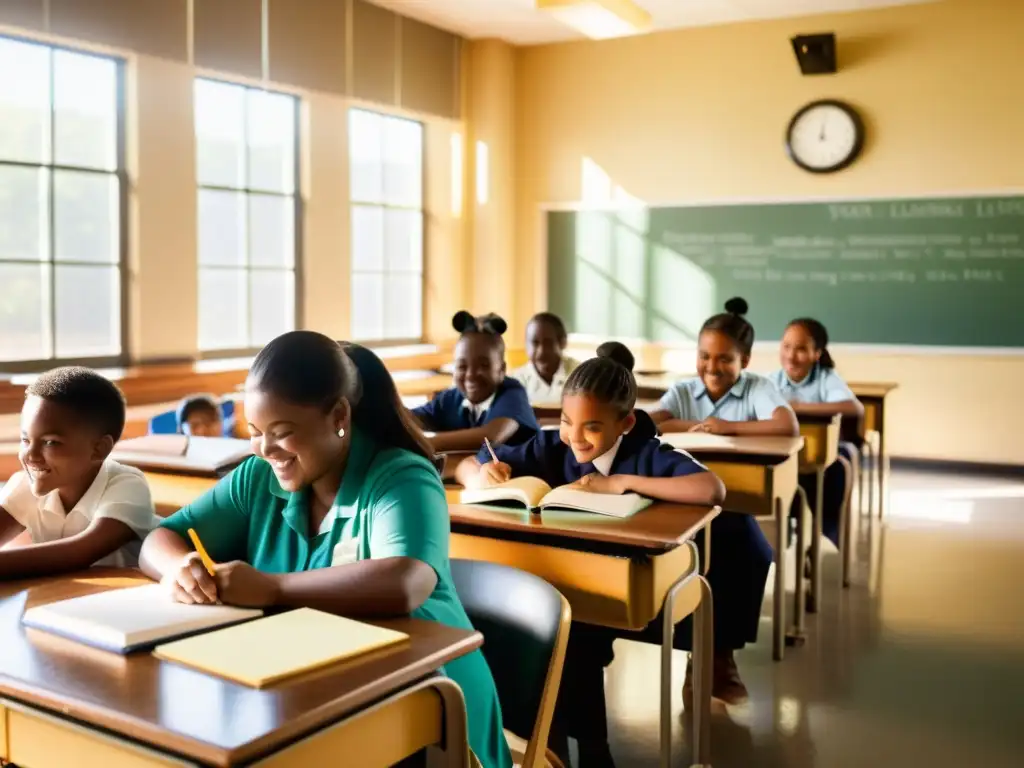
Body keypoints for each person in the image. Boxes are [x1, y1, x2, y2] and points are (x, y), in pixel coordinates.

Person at [138, 333, 512, 768]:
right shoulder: (259, 477)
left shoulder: (401, 477)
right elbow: (158, 539)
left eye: (282, 433)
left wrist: (272, 588)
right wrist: (179, 567)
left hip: (429, 705)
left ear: (339, 415)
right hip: (314, 690)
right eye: (256, 433)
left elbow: (405, 581)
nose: (265, 449)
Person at [456, 356, 724, 767]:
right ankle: (553, 745)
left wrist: (623, 482)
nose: (575, 438)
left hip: (622, 585)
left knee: (569, 638)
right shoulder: (552, 444)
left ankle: (581, 747)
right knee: (535, 632)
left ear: (626, 424)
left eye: (592, 427)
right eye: (566, 420)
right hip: (556, 578)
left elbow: (711, 488)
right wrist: (481, 476)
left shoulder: (644, 452)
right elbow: (469, 462)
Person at [650, 298, 799, 703]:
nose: (712, 368)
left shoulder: (758, 388)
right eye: (703, 356)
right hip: (680, 504)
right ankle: (702, 658)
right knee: (694, 558)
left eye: (724, 359)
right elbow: (650, 421)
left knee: (753, 551)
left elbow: (786, 424)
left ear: (744, 359)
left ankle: (719, 656)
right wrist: (697, 426)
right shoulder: (683, 389)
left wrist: (725, 427)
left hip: (729, 505)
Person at [0, 367, 156, 577]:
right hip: (59, 597)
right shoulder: (24, 485)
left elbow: (80, 553)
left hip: (126, 599)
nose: (31, 455)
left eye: (50, 442)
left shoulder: (128, 485)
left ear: (98, 449)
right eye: (26, 440)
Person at [770, 317, 862, 548]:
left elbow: (853, 408)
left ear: (817, 353)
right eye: (786, 346)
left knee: (837, 467)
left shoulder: (825, 378)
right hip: (787, 457)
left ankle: (823, 535)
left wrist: (798, 407)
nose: (791, 356)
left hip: (820, 461)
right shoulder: (772, 380)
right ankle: (786, 532)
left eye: (801, 349)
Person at [412, 311, 539, 453]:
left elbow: (490, 437)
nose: (471, 375)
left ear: (501, 370)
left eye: (484, 365)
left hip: (525, 474)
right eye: (462, 366)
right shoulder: (451, 398)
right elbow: (410, 419)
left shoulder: (512, 394)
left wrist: (424, 443)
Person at [510, 312, 579, 404]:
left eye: (548, 342)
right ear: (526, 344)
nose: (541, 351)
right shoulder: (515, 381)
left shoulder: (579, 375)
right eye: (535, 343)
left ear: (562, 342)